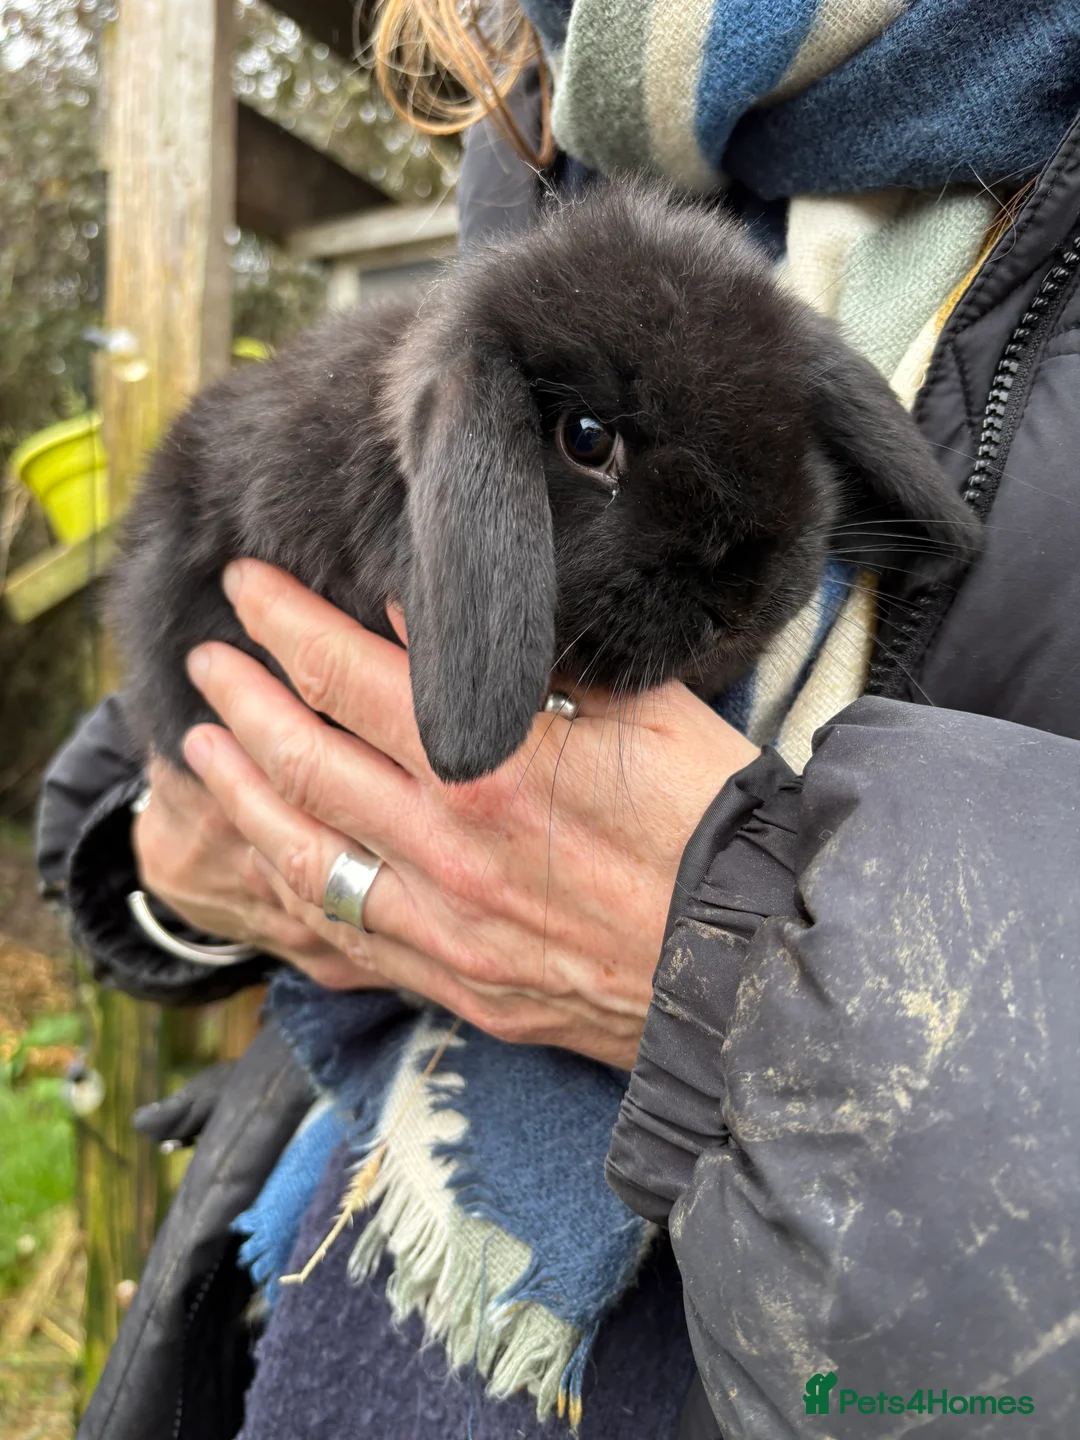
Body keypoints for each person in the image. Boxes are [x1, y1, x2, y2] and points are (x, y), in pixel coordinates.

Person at [37, 3, 1080, 1437]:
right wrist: (189, 854)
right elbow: (133, 789)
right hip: (339, 1236)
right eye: (587, 444)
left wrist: (756, 961)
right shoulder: (549, 98)